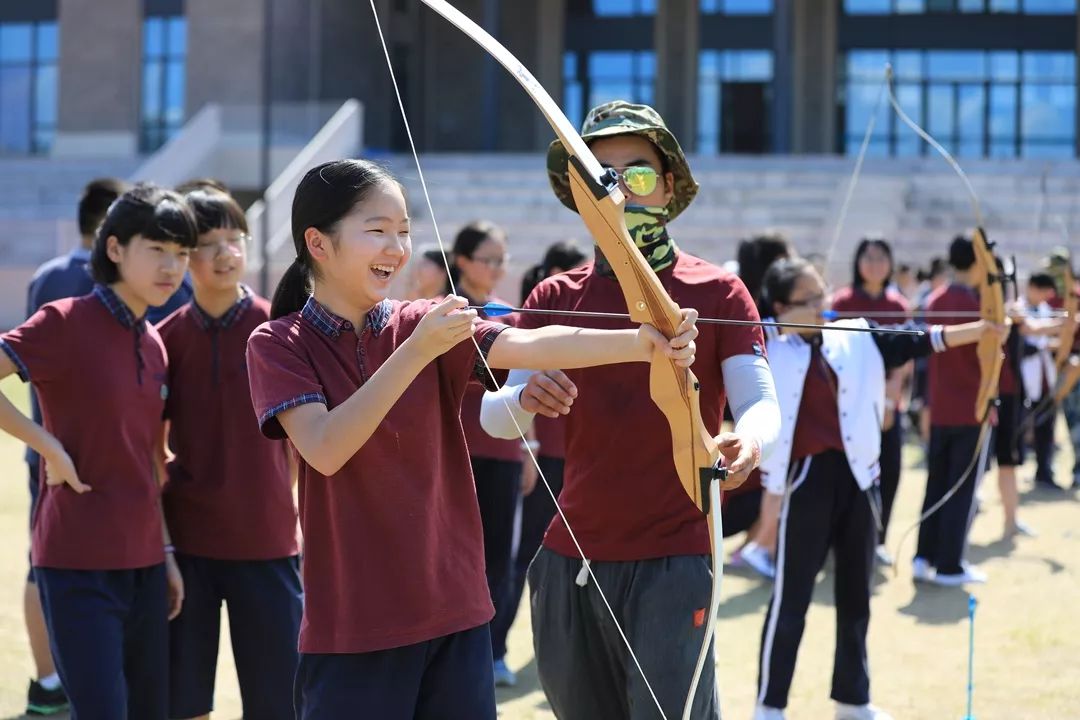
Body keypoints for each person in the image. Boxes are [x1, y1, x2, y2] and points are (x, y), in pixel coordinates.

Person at [244, 158, 699, 719]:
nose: (397, 246)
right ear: (318, 241)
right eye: (378, 230)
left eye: (405, 230)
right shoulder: (278, 341)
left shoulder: (423, 320)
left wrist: (645, 341)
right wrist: (417, 350)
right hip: (354, 627)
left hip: (456, 613)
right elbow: (326, 448)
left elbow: (530, 344)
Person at [479, 101, 781, 719]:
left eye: (637, 173)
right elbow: (496, 418)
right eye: (599, 176)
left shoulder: (718, 291)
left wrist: (748, 443)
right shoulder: (555, 294)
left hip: (676, 556)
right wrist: (521, 399)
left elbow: (759, 401)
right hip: (571, 554)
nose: (618, 190)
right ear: (578, 191)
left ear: (669, 185)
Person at [753, 257, 1002, 720]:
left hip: (861, 479)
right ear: (784, 306)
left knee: (856, 595)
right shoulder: (767, 343)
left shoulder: (857, 334)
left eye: (823, 294)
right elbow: (743, 331)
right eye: (810, 300)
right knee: (792, 597)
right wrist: (777, 322)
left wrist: (985, 329)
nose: (823, 304)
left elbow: (923, 340)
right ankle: (769, 706)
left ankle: (852, 699)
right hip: (808, 482)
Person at [0, 184, 191, 718]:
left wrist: (168, 555)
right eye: (157, 249)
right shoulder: (63, 320)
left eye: (181, 254)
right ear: (115, 249)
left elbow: (151, 459)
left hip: (147, 566)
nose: (172, 267)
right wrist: (48, 448)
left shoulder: (154, 342)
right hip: (76, 562)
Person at [157, 189, 302, 720]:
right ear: (182, 254)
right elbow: (153, 450)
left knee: (277, 702)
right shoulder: (162, 339)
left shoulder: (280, 331)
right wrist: (166, 547)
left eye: (234, 239)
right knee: (183, 700)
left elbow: (306, 443)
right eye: (208, 242)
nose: (226, 253)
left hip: (268, 543)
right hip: (187, 547)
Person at [20, 176, 124, 715]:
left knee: (42, 566)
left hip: (45, 448)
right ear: (112, 233)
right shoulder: (86, 282)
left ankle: (48, 683)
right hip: (87, 451)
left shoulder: (46, 275)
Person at [488, 239, 588, 688]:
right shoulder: (534, 318)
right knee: (524, 557)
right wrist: (527, 445)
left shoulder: (594, 323)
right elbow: (512, 393)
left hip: (584, 458)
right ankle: (495, 650)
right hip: (546, 456)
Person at [915, 234, 1000, 586]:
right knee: (961, 487)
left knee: (937, 483)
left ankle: (923, 556)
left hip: (942, 408)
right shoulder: (981, 305)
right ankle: (949, 565)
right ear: (979, 262)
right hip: (971, 408)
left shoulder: (935, 298)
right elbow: (990, 356)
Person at [830, 237, 912, 566]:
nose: (875, 263)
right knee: (844, 475)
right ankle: (838, 542)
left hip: (887, 405)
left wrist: (890, 401)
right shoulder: (843, 300)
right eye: (869, 257)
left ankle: (877, 539)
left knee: (888, 472)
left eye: (882, 257)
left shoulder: (898, 305)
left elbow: (903, 359)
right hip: (847, 404)